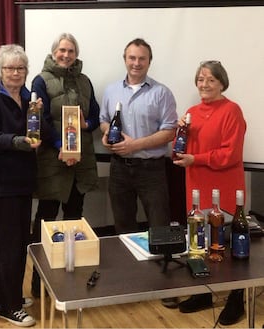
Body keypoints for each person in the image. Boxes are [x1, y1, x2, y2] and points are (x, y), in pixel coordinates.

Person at [172, 60, 246, 326]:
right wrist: (180, 132)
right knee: (198, 244)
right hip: (196, 189)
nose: (204, 84)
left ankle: (236, 299)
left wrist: (196, 159)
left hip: (223, 190)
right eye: (201, 79)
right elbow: (180, 150)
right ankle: (203, 293)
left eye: (211, 80)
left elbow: (230, 155)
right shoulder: (191, 112)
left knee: (225, 245)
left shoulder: (231, 111)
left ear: (222, 83)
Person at [0, 44, 42, 327]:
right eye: (9, 68)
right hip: (0, 186)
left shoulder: (30, 101)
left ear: (26, 71)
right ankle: (8, 307)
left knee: (16, 244)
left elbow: (38, 132)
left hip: (21, 183)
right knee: (7, 246)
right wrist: (16, 142)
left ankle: (4, 296)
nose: (15, 73)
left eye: (20, 68)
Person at [30, 33, 100, 297]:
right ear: (53, 52)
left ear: (76, 54)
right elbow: (39, 119)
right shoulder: (40, 80)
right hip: (52, 162)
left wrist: (87, 125)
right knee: (45, 223)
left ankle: (69, 282)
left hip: (79, 164)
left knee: (74, 222)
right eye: (62, 50)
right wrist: (61, 145)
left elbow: (94, 114)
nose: (66, 55)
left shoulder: (85, 81)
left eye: (71, 51)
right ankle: (39, 283)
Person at [99, 38, 178, 234]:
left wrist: (135, 145)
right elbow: (103, 121)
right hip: (119, 169)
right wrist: (106, 132)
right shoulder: (111, 90)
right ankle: (128, 265)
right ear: (124, 59)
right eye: (132, 57)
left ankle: (161, 264)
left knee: (160, 226)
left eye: (142, 58)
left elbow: (170, 132)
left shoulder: (162, 93)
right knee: (123, 226)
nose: (136, 63)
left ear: (149, 61)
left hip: (152, 170)